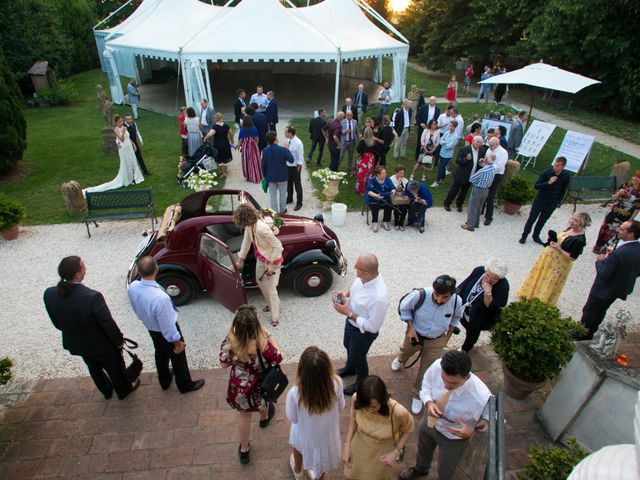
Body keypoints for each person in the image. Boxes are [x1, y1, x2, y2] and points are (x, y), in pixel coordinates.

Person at [44, 256, 139, 400]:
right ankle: (123, 391)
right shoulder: (92, 297)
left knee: (94, 368)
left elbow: (57, 324)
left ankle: (106, 391)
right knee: (115, 370)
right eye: (83, 267)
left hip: (78, 344)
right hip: (103, 346)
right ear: (77, 275)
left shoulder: (49, 294)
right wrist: (119, 341)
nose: (86, 269)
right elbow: (107, 324)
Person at [399, 351, 491, 480]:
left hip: (454, 437)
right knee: (423, 450)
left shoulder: (481, 395)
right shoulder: (437, 366)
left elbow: (494, 419)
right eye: (443, 379)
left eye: (453, 383)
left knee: (446, 469)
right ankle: (421, 470)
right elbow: (426, 383)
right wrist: (428, 402)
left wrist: (480, 426)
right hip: (430, 421)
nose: (446, 386)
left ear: (467, 377)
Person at [128, 256, 205, 394]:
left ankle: (164, 380)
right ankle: (185, 384)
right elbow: (168, 326)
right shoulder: (160, 298)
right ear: (156, 270)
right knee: (178, 357)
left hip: (151, 327)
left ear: (139, 271)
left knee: (160, 352)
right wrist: (177, 342)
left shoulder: (133, 287)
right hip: (164, 330)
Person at [390, 275, 463, 415]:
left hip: (436, 341)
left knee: (427, 369)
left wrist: (446, 338)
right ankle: (400, 359)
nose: (439, 300)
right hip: (415, 336)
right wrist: (410, 327)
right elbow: (404, 308)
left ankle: (418, 393)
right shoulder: (419, 295)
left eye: (445, 297)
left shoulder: (456, 301)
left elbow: (455, 318)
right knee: (405, 352)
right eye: (436, 295)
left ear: (452, 294)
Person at [219, 305, 283, 464]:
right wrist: (268, 333)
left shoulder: (230, 341)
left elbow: (223, 364)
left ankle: (244, 449)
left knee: (244, 415)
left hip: (241, 387)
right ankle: (264, 418)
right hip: (261, 384)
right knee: (263, 402)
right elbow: (278, 357)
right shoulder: (262, 344)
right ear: (256, 325)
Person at [332, 254, 389, 395]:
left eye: (357, 267)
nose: (354, 268)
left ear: (366, 274)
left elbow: (373, 327)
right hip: (351, 323)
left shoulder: (379, 298)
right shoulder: (362, 278)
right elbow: (355, 290)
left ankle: (360, 383)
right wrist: (345, 293)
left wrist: (349, 313)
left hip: (363, 333)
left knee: (359, 357)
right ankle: (350, 368)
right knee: (347, 345)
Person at [286, 346, 345, 480]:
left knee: (298, 446)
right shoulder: (337, 383)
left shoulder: (296, 393)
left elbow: (293, 418)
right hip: (326, 434)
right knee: (322, 460)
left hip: (304, 431)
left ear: (302, 370)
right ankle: (318, 477)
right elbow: (341, 406)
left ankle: (298, 471)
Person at [577, 220, 640, 340]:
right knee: (601, 311)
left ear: (631, 234)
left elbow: (603, 274)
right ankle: (590, 334)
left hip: (604, 288)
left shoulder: (619, 253)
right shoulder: (637, 248)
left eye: (622, 229)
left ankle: (581, 335)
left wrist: (600, 261)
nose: (618, 230)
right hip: (619, 288)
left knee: (590, 311)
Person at [343, 376, 414, 480]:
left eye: (374, 407)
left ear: (382, 400)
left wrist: (395, 452)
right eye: (365, 407)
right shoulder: (356, 398)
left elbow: (408, 429)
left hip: (380, 455)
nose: (369, 411)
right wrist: (347, 444)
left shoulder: (398, 412)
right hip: (358, 448)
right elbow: (353, 421)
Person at [517, 213, 591, 305]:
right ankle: (530, 294)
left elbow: (572, 257)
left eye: (576, 221)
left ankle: (539, 302)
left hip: (559, 264)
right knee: (540, 275)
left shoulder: (580, 240)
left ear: (582, 224)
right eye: (572, 218)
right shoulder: (570, 229)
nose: (572, 221)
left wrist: (559, 248)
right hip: (548, 258)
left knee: (548, 282)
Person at [234, 203, 284, 327]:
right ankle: (271, 303)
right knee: (260, 281)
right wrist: (240, 259)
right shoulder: (249, 227)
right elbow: (246, 243)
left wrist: (271, 264)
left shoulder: (262, 228)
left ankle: (275, 315)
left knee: (271, 288)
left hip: (273, 259)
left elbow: (278, 246)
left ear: (245, 219)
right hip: (261, 258)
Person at [457, 259, 510, 352]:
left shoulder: (503, 287)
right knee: (465, 324)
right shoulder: (479, 271)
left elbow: (493, 308)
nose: (489, 279)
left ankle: (465, 349)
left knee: (472, 333)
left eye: (494, 278)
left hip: (480, 316)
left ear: (499, 278)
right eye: (488, 275)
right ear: (485, 270)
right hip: (465, 309)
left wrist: (488, 293)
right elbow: (465, 284)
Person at [84, 115, 145, 194]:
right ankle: (128, 179)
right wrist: (123, 131)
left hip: (129, 147)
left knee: (133, 161)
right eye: (119, 121)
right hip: (123, 149)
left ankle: (135, 177)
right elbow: (122, 139)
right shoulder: (116, 130)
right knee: (126, 163)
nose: (121, 123)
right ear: (116, 122)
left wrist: (133, 144)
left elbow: (128, 137)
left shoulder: (124, 127)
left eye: (122, 121)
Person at [519, 156, 571, 244]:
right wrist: (548, 183)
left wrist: (558, 202)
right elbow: (536, 186)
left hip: (552, 203)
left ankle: (536, 236)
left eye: (558, 166)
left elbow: (563, 190)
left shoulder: (566, 176)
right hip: (541, 200)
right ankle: (524, 236)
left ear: (563, 166)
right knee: (532, 219)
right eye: (555, 165)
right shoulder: (547, 173)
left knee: (542, 220)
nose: (555, 167)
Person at [592, 171, 640, 254]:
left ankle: (608, 251)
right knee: (604, 231)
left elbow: (637, 208)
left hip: (625, 216)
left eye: (638, 177)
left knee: (617, 234)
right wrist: (619, 193)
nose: (634, 178)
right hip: (613, 213)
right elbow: (613, 198)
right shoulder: (625, 186)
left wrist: (631, 219)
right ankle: (598, 247)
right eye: (634, 176)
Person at [444, 135, 485, 212]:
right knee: (454, 190)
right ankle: (447, 203)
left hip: (471, 175)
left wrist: (482, 161)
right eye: (477, 142)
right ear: (473, 141)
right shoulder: (465, 149)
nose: (478, 144)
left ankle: (459, 205)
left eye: (480, 142)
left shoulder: (482, 151)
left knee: (464, 192)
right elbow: (458, 160)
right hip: (461, 174)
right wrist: (466, 159)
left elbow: (480, 162)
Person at [461, 152, 496, 232]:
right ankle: (476, 222)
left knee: (472, 207)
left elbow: (471, 179)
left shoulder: (482, 171)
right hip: (486, 190)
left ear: (486, 159)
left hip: (478, 189)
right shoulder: (493, 169)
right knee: (479, 207)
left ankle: (470, 225)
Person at [262, 131, 293, 214]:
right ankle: (283, 210)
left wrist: (265, 176)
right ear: (275, 139)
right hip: (282, 176)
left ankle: (274, 212)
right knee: (283, 195)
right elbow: (291, 159)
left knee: (273, 196)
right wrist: (287, 149)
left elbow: (263, 165)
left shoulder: (265, 151)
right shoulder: (283, 150)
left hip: (271, 177)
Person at [481, 136, 508, 226]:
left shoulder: (503, 153)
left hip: (496, 175)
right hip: (487, 172)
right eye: (489, 145)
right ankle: (481, 210)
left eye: (492, 145)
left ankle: (489, 217)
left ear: (497, 144)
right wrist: (483, 162)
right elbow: (487, 160)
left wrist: (489, 163)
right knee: (483, 192)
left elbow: (499, 166)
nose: (490, 147)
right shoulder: (489, 149)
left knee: (490, 196)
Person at [365, 166, 396, 233]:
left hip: (385, 198)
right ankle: (375, 223)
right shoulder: (372, 180)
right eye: (383, 173)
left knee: (389, 205)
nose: (385, 174)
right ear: (378, 174)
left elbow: (393, 188)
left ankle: (385, 222)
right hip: (374, 198)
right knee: (374, 206)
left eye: (385, 173)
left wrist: (393, 192)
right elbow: (368, 191)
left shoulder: (388, 180)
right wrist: (376, 195)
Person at [203, 112, 233, 178]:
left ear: (216, 119)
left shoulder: (215, 127)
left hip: (218, 144)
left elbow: (210, 134)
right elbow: (231, 133)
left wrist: (205, 138)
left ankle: (223, 173)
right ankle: (225, 171)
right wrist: (231, 140)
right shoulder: (226, 125)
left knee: (220, 159)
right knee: (225, 157)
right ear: (221, 118)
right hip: (226, 143)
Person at [432, 120, 459, 187]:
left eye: (451, 126)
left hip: (448, 155)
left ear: (454, 127)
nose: (450, 127)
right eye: (449, 125)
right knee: (442, 166)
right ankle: (442, 179)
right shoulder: (447, 132)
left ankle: (437, 181)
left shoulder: (455, 136)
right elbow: (441, 140)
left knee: (441, 167)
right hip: (442, 152)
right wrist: (444, 142)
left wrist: (444, 143)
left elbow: (450, 146)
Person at [414, 97, 440, 163]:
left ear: (435, 101)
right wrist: (421, 124)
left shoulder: (437, 109)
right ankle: (417, 158)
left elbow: (436, 120)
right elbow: (417, 116)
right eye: (431, 100)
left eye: (433, 100)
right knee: (420, 143)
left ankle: (428, 158)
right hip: (423, 128)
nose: (432, 101)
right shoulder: (423, 107)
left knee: (431, 143)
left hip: (432, 129)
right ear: (429, 101)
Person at [237, 116, 262, 183]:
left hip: (245, 146)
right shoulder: (254, 129)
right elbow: (257, 139)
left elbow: (240, 140)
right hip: (253, 145)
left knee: (246, 160)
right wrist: (255, 145)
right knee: (255, 160)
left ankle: (248, 176)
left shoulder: (242, 130)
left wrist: (238, 147)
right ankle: (256, 174)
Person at [285, 126, 304, 211]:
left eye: (286, 132)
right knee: (289, 183)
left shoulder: (298, 143)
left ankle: (299, 203)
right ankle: (289, 198)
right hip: (288, 166)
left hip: (295, 167)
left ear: (290, 133)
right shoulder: (288, 140)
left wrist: (298, 167)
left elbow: (300, 157)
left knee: (297, 184)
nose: (284, 134)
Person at [355, 127, 377, 196]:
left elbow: (358, 150)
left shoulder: (362, 141)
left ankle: (361, 190)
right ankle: (368, 189)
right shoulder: (373, 142)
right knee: (369, 174)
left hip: (364, 159)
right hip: (371, 160)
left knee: (362, 175)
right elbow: (376, 151)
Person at [390, 164, 410, 230]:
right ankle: (396, 223)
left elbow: (407, 192)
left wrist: (403, 188)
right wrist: (397, 185)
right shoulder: (391, 179)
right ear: (396, 172)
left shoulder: (406, 180)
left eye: (403, 173)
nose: (401, 175)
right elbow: (391, 191)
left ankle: (401, 223)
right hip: (394, 199)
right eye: (400, 173)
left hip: (402, 199)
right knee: (397, 208)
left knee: (404, 208)